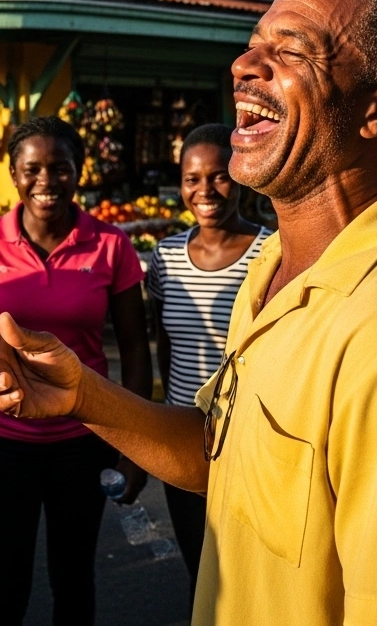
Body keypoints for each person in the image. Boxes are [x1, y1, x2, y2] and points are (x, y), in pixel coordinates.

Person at [0, 0, 377, 626]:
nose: (245, 65)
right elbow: (225, 457)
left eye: (291, 50)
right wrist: (82, 396)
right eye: (253, 45)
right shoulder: (274, 267)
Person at [0, 116, 153, 625]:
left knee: (74, 584)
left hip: (84, 443)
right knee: (3, 592)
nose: (46, 181)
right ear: (13, 174)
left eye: (60, 167)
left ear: (79, 171)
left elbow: (135, 352)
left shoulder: (110, 245)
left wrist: (135, 449)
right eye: (32, 169)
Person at [145, 123, 270, 596]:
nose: (205, 190)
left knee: (249, 579)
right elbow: (165, 343)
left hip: (251, 441)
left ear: (240, 176)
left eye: (219, 176)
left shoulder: (273, 252)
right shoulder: (165, 257)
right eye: (192, 179)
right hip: (184, 439)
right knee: (200, 575)